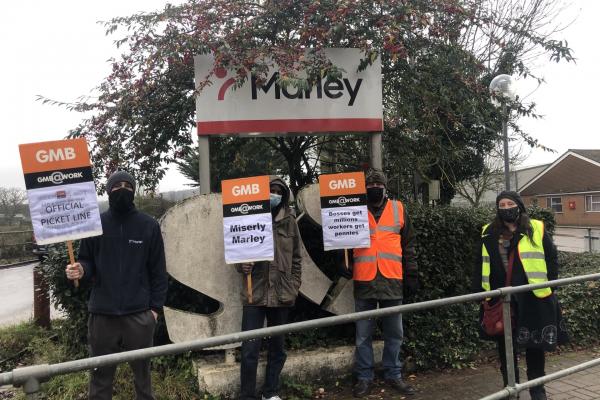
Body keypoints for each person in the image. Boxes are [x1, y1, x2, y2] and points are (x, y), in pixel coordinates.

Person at [65, 170, 168, 400]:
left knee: (143, 378)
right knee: (100, 377)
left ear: (134, 190)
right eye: (117, 185)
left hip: (139, 315)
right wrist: (80, 269)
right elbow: (86, 260)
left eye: (128, 185)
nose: (122, 189)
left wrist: (154, 310)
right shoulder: (95, 224)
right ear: (108, 190)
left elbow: (158, 271)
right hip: (102, 314)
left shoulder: (148, 225)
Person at [472, 191, 566, 400]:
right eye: (502, 204)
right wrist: (480, 291)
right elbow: (480, 263)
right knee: (506, 345)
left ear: (519, 206)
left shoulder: (535, 228)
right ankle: (510, 387)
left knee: (535, 345)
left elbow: (551, 258)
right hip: (501, 298)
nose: (506, 208)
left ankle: (537, 388)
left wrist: (551, 286)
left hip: (533, 296)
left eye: (510, 203)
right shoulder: (488, 232)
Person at [346, 169, 418, 398]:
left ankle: (393, 373)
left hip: (392, 278)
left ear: (385, 187)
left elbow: (409, 244)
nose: (374, 187)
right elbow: (342, 240)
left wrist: (412, 274)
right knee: (363, 334)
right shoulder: (353, 211)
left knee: (394, 332)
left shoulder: (399, 209)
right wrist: (342, 261)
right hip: (364, 278)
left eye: (378, 183)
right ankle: (364, 377)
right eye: (370, 184)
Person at [237, 176, 302, 400]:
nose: (274, 194)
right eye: (270, 190)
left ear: (283, 196)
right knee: (249, 350)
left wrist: (294, 285)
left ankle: (270, 392)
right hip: (254, 292)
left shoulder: (290, 220)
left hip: (282, 293)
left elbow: (296, 258)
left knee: (278, 347)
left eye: (278, 191)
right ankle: (247, 395)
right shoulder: (248, 217)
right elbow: (237, 250)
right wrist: (241, 265)